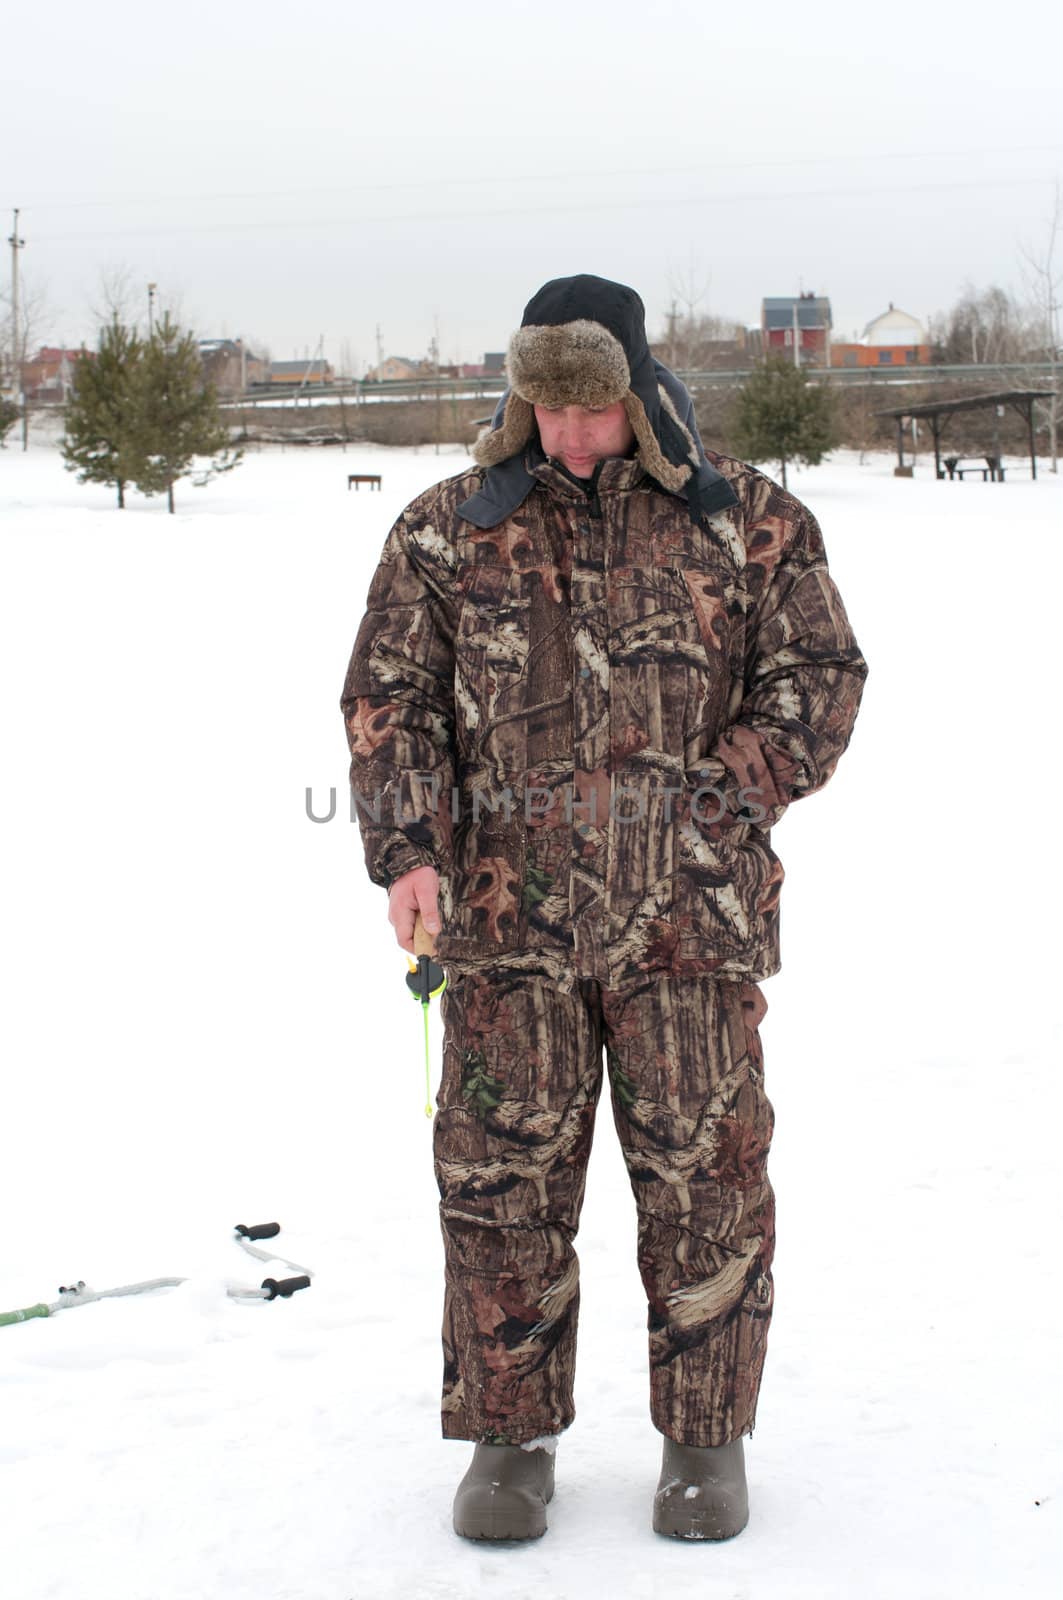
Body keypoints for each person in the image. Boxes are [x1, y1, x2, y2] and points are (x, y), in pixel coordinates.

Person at [341, 274, 867, 1543]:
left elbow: (820, 678)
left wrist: (715, 805)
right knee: (500, 1180)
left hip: (687, 930)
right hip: (503, 927)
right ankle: (511, 1440)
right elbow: (389, 698)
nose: (572, 435)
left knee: (706, 1179)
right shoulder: (444, 529)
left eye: (595, 409)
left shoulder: (745, 521)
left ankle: (703, 1438)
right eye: (549, 409)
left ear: (640, 394)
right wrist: (410, 847)